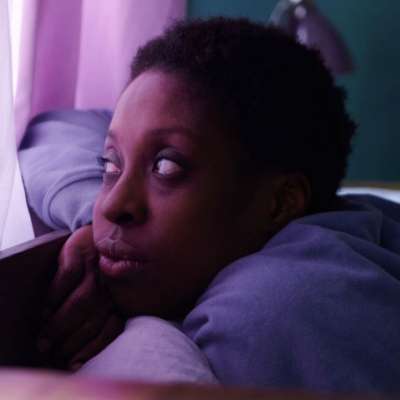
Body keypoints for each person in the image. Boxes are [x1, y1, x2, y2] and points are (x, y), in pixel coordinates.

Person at [19, 17, 400, 393]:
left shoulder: (278, 307)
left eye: (166, 167)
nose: (114, 205)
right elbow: (57, 129)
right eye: (109, 164)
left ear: (279, 203)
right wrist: (90, 217)